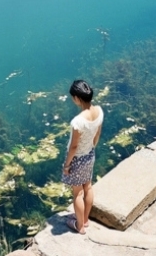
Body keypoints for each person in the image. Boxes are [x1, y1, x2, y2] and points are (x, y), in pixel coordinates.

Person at [62, 79, 103, 234]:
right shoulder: (99, 111)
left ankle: (79, 227)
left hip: (77, 159)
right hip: (90, 153)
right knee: (88, 186)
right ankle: (85, 220)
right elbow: (97, 133)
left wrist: (67, 165)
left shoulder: (78, 121)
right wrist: (91, 147)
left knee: (77, 193)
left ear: (77, 98)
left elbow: (73, 146)